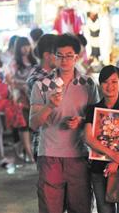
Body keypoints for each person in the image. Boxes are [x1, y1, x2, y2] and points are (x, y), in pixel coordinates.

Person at [30, 34, 99, 213]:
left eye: (69, 55)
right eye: (60, 55)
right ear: (53, 56)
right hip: (50, 155)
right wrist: (50, 105)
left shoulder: (88, 84)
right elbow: (33, 123)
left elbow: (97, 121)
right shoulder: (42, 85)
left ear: (77, 57)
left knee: (81, 207)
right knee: (50, 208)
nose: (64, 60)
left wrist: (81, 121)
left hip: (79, 155)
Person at [84, 65, 119, 213]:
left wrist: (116, 160)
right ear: (100, 84)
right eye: (106, 82)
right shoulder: (92, 110)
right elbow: (88, 138)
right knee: (104, 210)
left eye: (114, 82)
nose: (110, 86)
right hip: (99, 170)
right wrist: (114, 155)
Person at [6, 36, 37, 163]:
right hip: (20, 98)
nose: (26, 49)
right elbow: (10, 80)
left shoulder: (34, 61)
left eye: (27, 45)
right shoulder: (14, 63)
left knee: (32, 126)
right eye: (23, 46)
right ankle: (29, 154)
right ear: (18, 48)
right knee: (23, 126)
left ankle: (27, 150)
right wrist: (22, 86)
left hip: (34, 97)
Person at [27, 34, 57, 161]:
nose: (62, 58)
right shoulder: (37, 79)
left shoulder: (51, 74)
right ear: (47, 55)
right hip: (44, 142)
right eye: (58, 53)